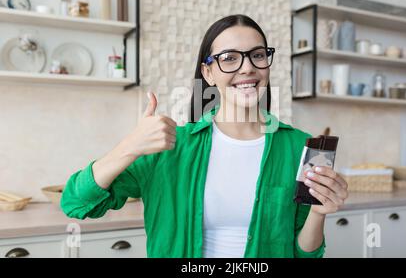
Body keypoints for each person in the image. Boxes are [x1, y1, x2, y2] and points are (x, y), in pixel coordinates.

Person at [61, 14, 348, 258]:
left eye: (257, 55)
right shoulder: (170, 146)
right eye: (229, 58)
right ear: (208, 72)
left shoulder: (301, 146)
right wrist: (129, 147)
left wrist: (319, 213)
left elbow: (304, 253)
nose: (247, 67)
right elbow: (76, 203)